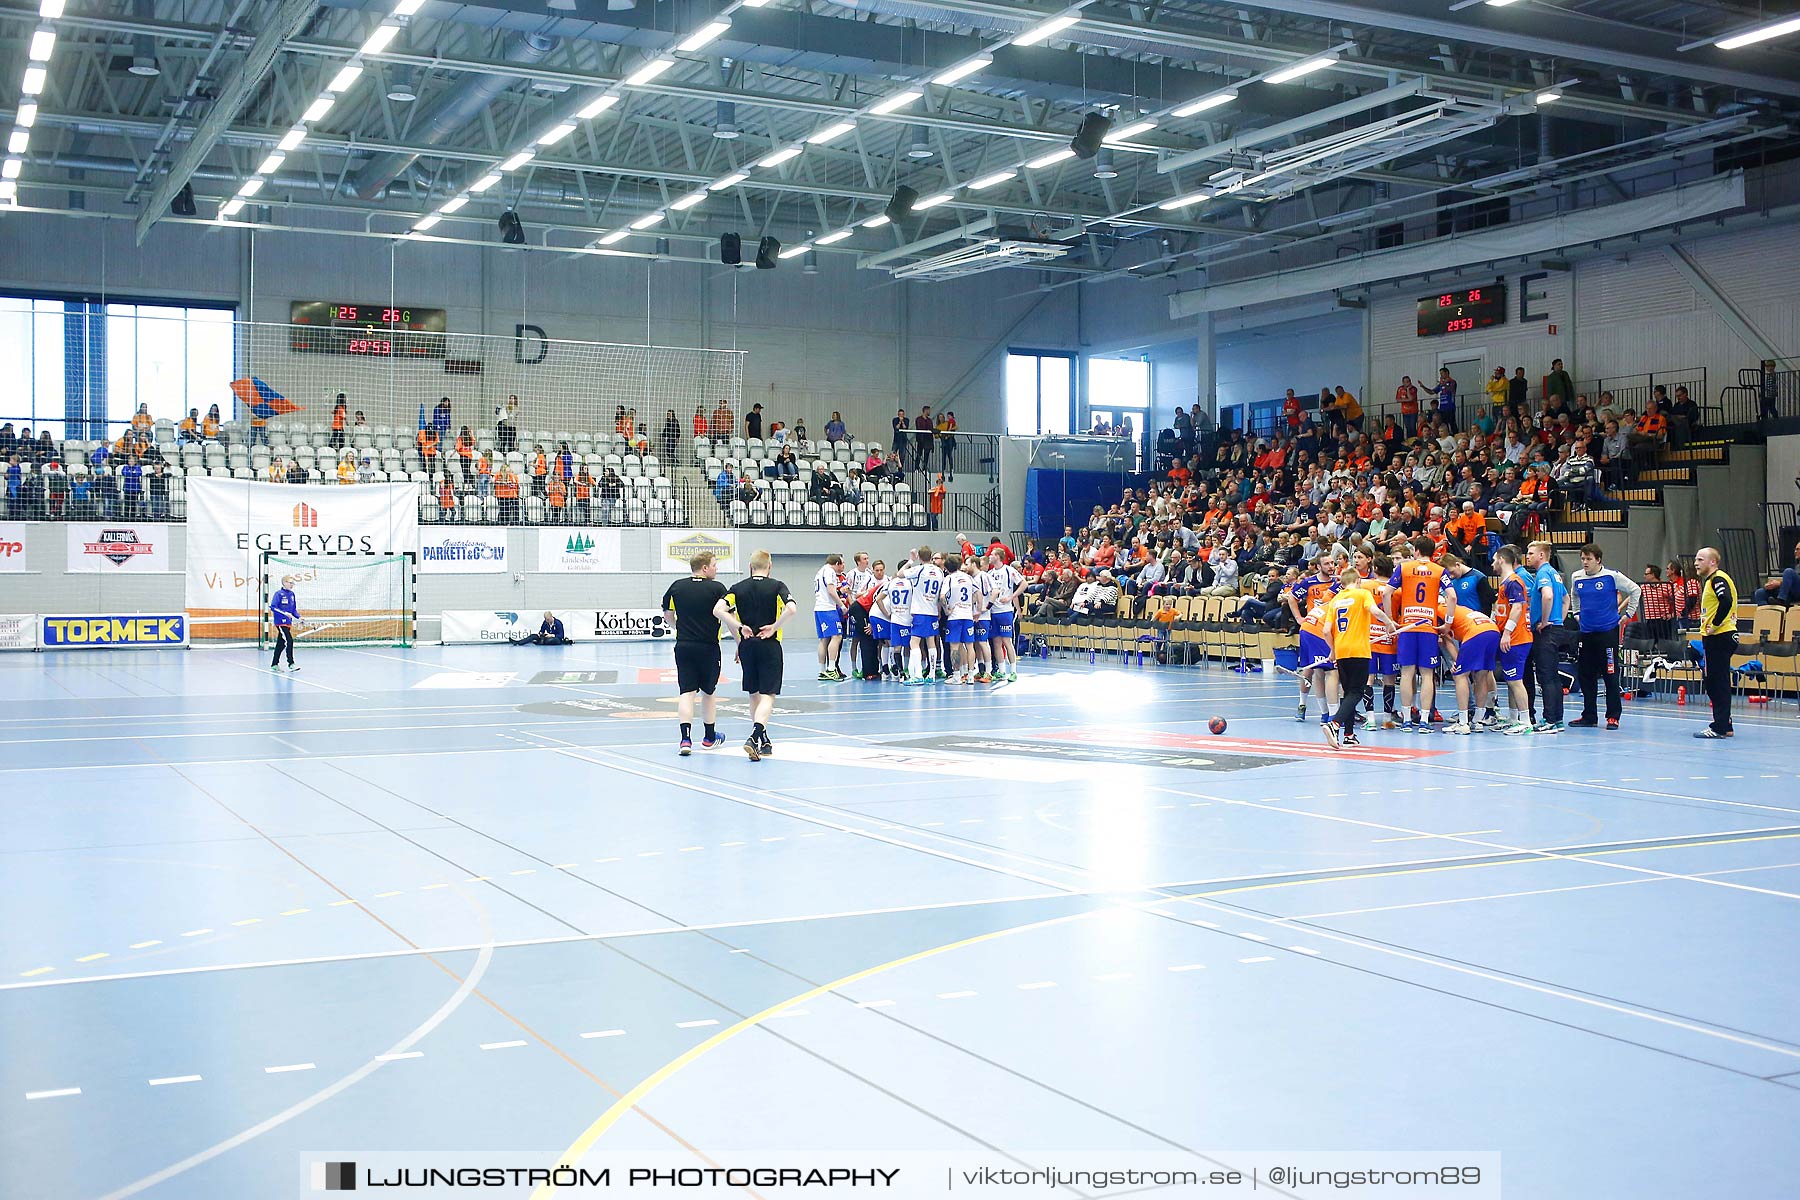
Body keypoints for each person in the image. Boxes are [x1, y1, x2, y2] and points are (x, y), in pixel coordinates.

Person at [664, 552, 743, 755]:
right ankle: (709, 737)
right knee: (708, 692)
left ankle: (685, 740)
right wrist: (739, 644)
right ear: (705, 568)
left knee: (686, 692)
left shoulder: (676, 587)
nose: (716, 569)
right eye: (714, 565)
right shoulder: (717, 589)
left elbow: (668, 615)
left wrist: (679, 628)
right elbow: (729, 619)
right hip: (708, 647)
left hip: (684, 646)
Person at [724, 550, 794, 761]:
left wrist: (739, 627)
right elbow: (791, 609)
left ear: (750, 566)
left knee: (753, 693)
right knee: (768, 694)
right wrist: (774, 626)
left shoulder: (737, 588)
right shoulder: (777, 586)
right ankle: (755, 734)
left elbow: (719, 610)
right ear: (769, 566)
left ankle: (763, 738)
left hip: (747, 645)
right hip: (769, 645)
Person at [1321, 557, 1397, 749]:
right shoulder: (1362, 594)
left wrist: (1332, 651)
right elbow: (1374, 611)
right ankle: (1334, 724)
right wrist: (1388, 622)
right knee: (1357, 691)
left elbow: (1325, 630)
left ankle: (1348, 735)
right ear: (1357, 581)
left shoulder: (1336, 600)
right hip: (1359, 649)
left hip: (1342, 650)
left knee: (1347, 693)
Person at [1386, 535, 1454, 731]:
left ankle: (1407, 719)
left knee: (1407, 674)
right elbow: (1452, 596)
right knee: (1427, 674)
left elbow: (1386, 592)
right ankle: (1424, 720)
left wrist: (1391, 621)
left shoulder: (1404, 568)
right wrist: (1447, 624)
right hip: (1428, 627)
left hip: (1407, 626)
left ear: (1416, 551)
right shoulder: (1439, 570)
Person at [1570, 542, 1640, 730]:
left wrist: (1627, 615)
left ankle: (1613, 716)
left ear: (1598, 560)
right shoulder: (1577, 577)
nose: (1585, 562)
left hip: (1607, 633)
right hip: (1586, 633)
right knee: (1586, 675)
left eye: (1589, 559)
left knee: (1610, 674)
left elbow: (1635, 590)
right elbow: (1574, 596)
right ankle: (1589, 715)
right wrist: (1576, 614)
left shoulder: (1611, 576)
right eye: (1583, 559)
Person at [1692, 546, 1739, 740]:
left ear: (1713, 562)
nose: (1696, 562)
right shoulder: (1713, 580)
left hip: (1719, 636)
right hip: (1721, 636)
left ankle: (1719, 727)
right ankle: (1726, 724)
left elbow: (1726, 600)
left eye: (1701, 559)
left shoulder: (1717, 579)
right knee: (1716, 681)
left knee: (1715, 682)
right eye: (1696, 559)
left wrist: (1715, 624)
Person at [1524, 540, 1568, 733]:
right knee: (1553, 676)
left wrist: (1544, 620)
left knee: (1546, 676)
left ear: (1541, 555)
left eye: (1531, 552)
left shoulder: (1543, 573)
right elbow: (1566, 599)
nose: (1528, 555)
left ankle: (1549, 720)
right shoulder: (1555, 574)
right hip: (1556, 629)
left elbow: (1548, 596)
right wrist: (1559, 619)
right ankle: (1557, 719)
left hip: (1546, 631)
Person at [1491, 546, 1536, 734]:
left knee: (1516, 681)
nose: (1492, 563)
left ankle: (1525, 722)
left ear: (1502, 560)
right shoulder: (1505, 583)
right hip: (1511, 637)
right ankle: (1513, 718)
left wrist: (1507, 633)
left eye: (1494, 560)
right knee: (1511, 679)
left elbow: (1518, 608)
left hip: (1517, 639)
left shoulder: (1514, 582)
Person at [812, 553, 848, 682]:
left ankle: (822, 670)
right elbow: (831, 591)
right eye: (842, 563)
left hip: (818, 608)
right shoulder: (830, 572)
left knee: (824, 639)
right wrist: (842, 605)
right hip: (828, 609)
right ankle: (832, 669)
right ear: (837, 563)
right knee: (837, 636)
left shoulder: (820, 571)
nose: (843, 566)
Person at [269, 575, 301, 672]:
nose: (292, 585)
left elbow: (293, 610)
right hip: (280, 622)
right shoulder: (278, 594)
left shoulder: (292, 594)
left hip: (288, 623)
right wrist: (285, 613)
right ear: (284, 582)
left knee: (281, 644)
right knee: (289, 640)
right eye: (290, 583)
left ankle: (274, 664)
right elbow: (273, 607)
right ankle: (291, 663)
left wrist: (299, 617)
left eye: (293, 583)